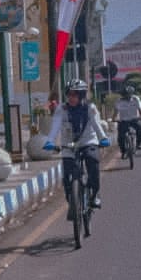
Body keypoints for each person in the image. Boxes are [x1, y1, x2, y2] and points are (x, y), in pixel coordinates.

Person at [44, 79, 110, 211]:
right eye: (69, 94)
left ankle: (94, 195)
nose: (71, 98)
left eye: (75, 95)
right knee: (67, 177)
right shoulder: (62, 109)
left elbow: (97, 125)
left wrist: (103, 138)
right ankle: (73, 204)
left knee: (93, 163)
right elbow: (55, 126)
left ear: (82, 95)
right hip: (68, 145)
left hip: (88, 141)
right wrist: (50, 141)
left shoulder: (90, 108)